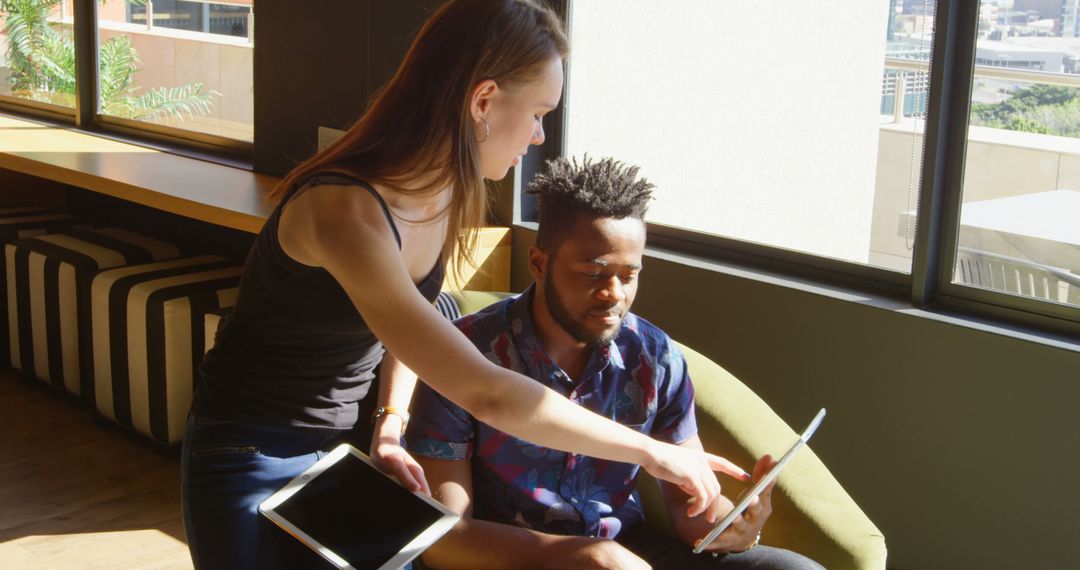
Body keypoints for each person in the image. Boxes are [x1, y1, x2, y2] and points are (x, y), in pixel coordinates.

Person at [180, 2, 746, 569]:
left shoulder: (441, 193)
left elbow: (410, 331)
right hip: (249, 451)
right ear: (483, 102)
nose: (539, 134)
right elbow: (487, 393)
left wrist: (390, 427)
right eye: (538, 113)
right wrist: (650, 451)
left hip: (335, 449)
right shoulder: (344, 212)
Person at [405, 157, 824, 569]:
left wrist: (731, 525)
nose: (614, 294)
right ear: (539, 263)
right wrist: (583, 557)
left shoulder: (655, 358)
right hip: (510, 558)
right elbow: (443, 543)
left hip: (626, 553)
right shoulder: (464, 357)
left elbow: (690, 517)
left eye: (629, 276)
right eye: (593, 274)